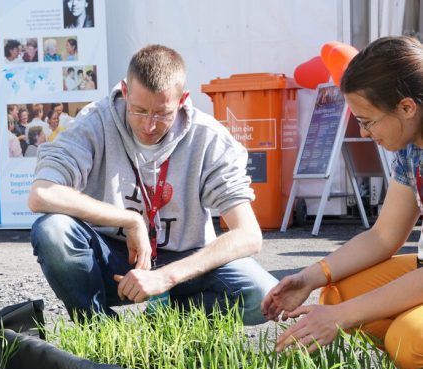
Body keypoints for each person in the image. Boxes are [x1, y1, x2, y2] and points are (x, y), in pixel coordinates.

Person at [28, 44, 277, 321]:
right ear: (124, 91)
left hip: (185, 261)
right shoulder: (94, 122)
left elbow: (249, 235)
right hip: (114, 259)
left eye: (162, 114)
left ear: (183, 100)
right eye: (138, 110)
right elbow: (42, 194)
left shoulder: (209, 138)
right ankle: (98, 331)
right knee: (52, 230)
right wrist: (130, 220)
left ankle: (162, 328)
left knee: (264, 295)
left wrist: (166, 277)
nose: (148, 125)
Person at [261, 35, 423, 369]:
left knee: (409, 342)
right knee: (337, 293)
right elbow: (383, 236)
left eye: (367, 120)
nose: (363, 134)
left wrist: (340, 317)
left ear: (407, 108)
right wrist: (308, 277)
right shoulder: (412, 150)